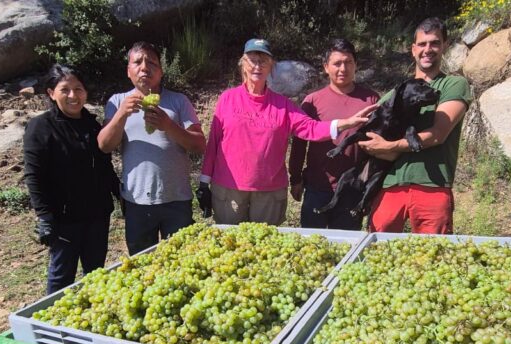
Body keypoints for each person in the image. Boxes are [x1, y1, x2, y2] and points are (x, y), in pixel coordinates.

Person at [198, 38, 377, 225]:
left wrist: (346, 123)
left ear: (271, 67)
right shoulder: (227, 99)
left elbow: (311, 128)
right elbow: (213, 143)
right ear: (243, 64)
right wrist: (203, 181)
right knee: (229, 241)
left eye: (263, 61)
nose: (257, 66)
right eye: (252, 60)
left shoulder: (283, 105)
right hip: (229, 189)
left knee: (266, 242)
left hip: (269, 193)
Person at [359, 17, 473, 234]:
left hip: (432, 184)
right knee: (378, 246)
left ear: (445, 46)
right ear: (413, 49)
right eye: (422, 44)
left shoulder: (453, 84)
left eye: (435, 43)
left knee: (432, 250)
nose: (427, 49)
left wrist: (389, 147)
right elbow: (368, 132)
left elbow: (437, 134)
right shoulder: (397, 93)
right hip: (390, 184)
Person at [98, 42, 206, 255]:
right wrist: (121, 114)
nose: (144, 67)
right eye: (137, 62)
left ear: (161, 71)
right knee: (141, 261)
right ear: (128, 71)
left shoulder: (179, 101)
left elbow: (199, 145)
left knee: (180, 259)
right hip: (137, 200)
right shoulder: (117, 101)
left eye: (152, 63)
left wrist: (168, 125)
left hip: (177, 199)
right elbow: (104, 145)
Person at [23, 64, 120, 294]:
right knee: (61, 275)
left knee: (95, 273)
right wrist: (44, 216)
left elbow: (104, 166)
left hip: (97, 214)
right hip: (64, 219)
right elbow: (33, 175)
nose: (73, 96)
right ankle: (53, 315)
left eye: (78, 89)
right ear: (51, 93)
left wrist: (120, 194)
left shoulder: (92, 124)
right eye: (65, 90)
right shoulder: (41, 127)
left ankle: (92, 311)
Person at [289, 39, 380, 230]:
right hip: (317, 187)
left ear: (356, 65)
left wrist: (370, 186)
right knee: (312, 243)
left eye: (348, 62)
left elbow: (378, 145)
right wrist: (295, 178)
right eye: (337, 63)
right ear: (326, 67)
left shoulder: (371, 100)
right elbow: (299, 144)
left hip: (352, 189)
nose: (343, 69)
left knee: (346, 244)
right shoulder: (312, 101)